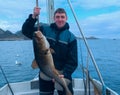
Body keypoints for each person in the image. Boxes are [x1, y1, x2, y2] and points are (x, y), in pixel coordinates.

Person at [22, 7, 78, 95]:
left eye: (62, 17)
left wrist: (66, 73)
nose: (60, 19)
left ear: (66, 18)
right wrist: (33, 17)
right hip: (45, 73)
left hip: (62, 74)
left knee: (67, 91)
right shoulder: (44, 30)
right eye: (57, 17)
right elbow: (26, 31)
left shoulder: (71, 38)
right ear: (54, 18)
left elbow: (73, 61)